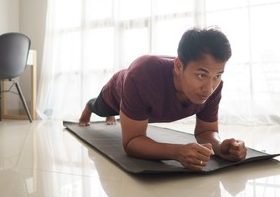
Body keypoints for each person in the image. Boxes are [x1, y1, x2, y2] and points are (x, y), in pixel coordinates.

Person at [79, 26, 247, 171]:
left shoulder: (214, 87)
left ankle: (114, 115)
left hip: (140, 102)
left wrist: (219, 147)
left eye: (217, 75)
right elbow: (131, 142)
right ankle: (89, 107)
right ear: (179, 66)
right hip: (117, 92)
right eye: (201, 75)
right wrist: (176, 152)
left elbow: (206, 131)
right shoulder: (141, 76)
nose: (209, 88)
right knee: (101, 109)